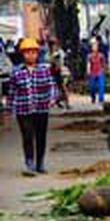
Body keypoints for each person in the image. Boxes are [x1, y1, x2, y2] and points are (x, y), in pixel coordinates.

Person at [7, 38, 59, 175]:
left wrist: (52, 98)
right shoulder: (16, 72)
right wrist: (8, 110)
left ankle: (40, 163)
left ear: (37, 54)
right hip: (23, 109)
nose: (30, 55)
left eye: (33, 52)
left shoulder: (45, 70)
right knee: (27, 135)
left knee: (41, 136)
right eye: (27, 52)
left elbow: (52, 86)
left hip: (41, 108)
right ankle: (29, 162)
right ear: (22, 54)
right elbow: (12, 92)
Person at [47, 40, 69, 109]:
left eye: (54, 45)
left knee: (62, 88)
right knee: (54, 88)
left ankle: (66, 103)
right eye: (51, 46)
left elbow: (59, 63)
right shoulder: (49, 54)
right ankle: (57, 102)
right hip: (51, 72)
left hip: (58, 73)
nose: (53, 47)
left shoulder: (58, 53)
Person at [86, 40, 107, 104]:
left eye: (96, 46)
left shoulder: (101, 55)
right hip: (93, 72)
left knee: (101, 86)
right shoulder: (89, 56)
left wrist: (103, 70)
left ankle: (101, 98)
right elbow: (88, 64)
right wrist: (88, 70)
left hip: (99, 71)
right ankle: (93, 97)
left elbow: (103, 63)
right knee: (92, 87)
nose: (95, 48)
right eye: (93, 46)